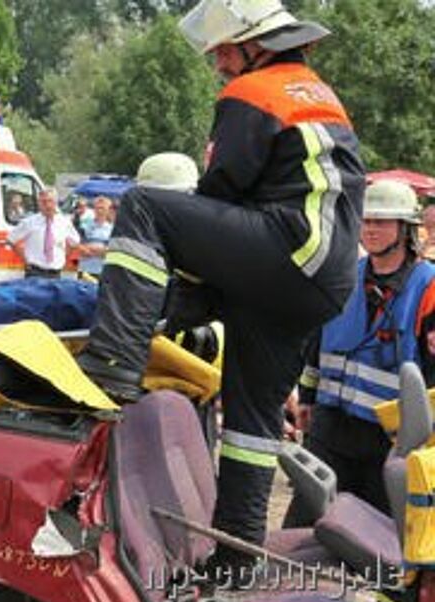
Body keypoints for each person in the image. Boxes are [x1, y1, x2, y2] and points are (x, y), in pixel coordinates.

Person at [77, 0, 365, 569]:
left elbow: (221, 192)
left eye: (224, 52)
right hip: (322, 282)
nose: (218, 66)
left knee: (145, 210)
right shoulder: (316, 91)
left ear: (256, 44)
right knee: (252, 423)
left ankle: (111, 368)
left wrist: (180, 294)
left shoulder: (252, 94)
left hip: (289, 248)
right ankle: (235, 557)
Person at [286, 180, 435, 524]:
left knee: (374, 540)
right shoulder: (344, 277)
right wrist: (307, 396)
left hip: (390, 441)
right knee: (305, 525)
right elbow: (316, 344)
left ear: (405, 229)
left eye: (382, 221)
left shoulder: (426, 287)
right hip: (330, 427)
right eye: (366, 220)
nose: (370, 229)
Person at [8, 187, 80, 278]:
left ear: (56, 202)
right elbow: (11, 240)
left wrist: (64, 257)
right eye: (43, 202)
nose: (47, 205)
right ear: (39, 204)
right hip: (35, 272)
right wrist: (25, 259)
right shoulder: (29, 222)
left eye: (50, 201)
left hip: (55, 273)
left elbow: (75, 242)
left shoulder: (64, 222)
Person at [77, 196, 114, 278]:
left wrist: (95, 250)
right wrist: (87, 250)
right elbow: (77, 245)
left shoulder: (112, 229)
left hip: (102, 271)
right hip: (84, 270)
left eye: (103, 208)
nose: (99, 211)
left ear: (108, 211)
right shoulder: (85, 226)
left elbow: (112, 250)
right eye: (97, 208)